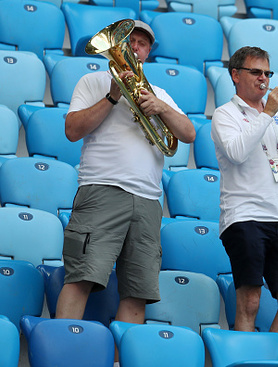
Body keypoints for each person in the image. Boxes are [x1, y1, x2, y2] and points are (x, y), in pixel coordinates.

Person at [56, 20, 196, 329]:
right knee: (82, 276)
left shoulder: (158, 92)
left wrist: (161, 108)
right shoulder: (92, 81)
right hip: (102, 190)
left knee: (137, 292)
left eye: (143, 44)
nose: (135, 47)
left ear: (148, 52)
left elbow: (187, 134)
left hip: (147, 200)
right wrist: (112, 96)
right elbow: (71, 130)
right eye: (130, 41)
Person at [210, 46, 278, 352]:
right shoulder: (224, 114)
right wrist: (268, 113)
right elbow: (237, 153)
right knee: (250, 300)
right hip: (244, 216)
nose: (263, 78)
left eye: (267, 73)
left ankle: (266, 357)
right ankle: (246, 358)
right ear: (235, 75)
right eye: (256, 72)